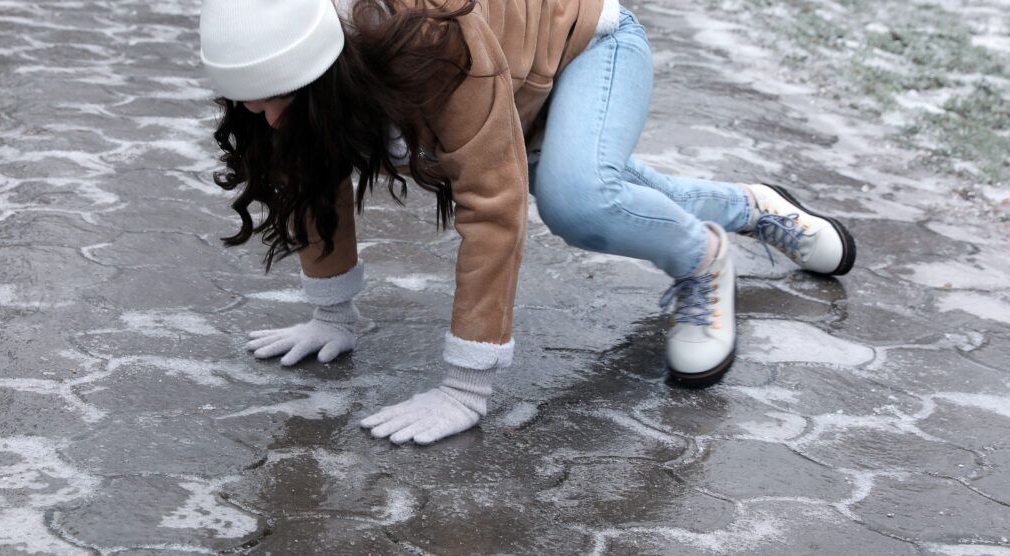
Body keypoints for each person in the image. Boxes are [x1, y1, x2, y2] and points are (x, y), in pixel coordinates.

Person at [199, 0, 856, 445]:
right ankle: (755, 207)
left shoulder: (435, 42)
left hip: (587, 44)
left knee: (577, 198)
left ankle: (703, 261)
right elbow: (313, 177)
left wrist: (464, 388)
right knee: (596, 185)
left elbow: (492, 204)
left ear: (329, 71)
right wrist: (331, 315)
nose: (270, 119)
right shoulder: (290, 56)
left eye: (281, 101)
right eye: (251, 106)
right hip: (514, 82)